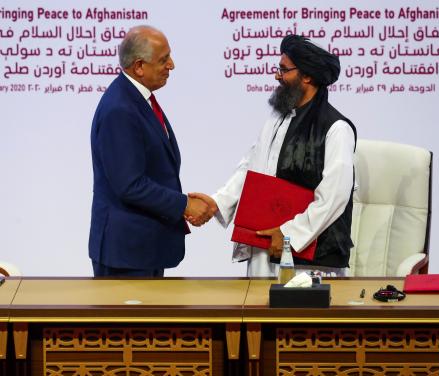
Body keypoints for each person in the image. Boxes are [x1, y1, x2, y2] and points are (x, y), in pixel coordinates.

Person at [192, 35, 357, 277]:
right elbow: (252, 168)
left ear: (307, 76)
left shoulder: (336, 128)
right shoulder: (277, 118)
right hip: (265, 246)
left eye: (284, 70)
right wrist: (217, 202)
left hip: (311, 259)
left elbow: (334, 198)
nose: (277, 76)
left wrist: (289, 235)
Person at [89, 25, 213, 277]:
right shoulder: (120, 110)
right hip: (126, 254)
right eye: (163, 59)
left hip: (143, 248)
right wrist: (184, 205)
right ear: (139, 67)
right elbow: (130, 185)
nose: (172, 65)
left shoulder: (135, 99)